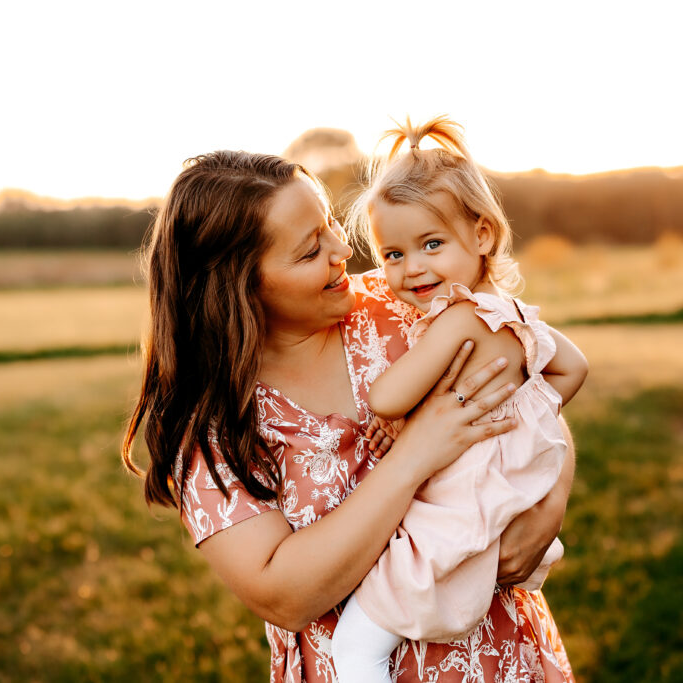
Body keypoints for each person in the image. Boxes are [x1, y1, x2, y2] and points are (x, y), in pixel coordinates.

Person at [122, 149, 578, 682]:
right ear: (241, 285)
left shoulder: (405, 305)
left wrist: (553, 498)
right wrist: (413, 456)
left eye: (332, 225)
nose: (344, 249)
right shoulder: (212, 426)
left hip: (500, 655)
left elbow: (529, 384)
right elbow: (283, 596)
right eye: (312, 249)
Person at [330, 117, 588, 683]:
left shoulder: (456, 319)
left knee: (354, 651)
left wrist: (406, 413)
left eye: (431, 244)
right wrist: (525, 413)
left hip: (457, 509)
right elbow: (573, 367)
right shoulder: (520, 318)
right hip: (502, 497)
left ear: (484, 236)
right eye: (391, 254)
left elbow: (386, 395)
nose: (411, 268)